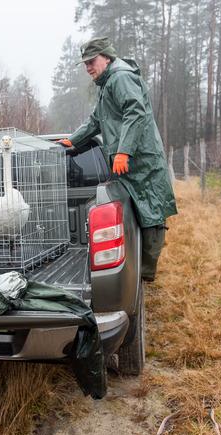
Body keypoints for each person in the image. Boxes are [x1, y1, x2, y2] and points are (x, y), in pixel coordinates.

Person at [56, 37, 177, 282]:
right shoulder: (107, 83)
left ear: (106, 57)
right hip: (129, 164)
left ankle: (145, 275)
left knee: (151, 213)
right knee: (139, 214)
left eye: (92, 61)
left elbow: (136, 111)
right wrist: (72, 141)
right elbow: (95, 121)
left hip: (143, 161)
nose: (88, 67)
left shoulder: (120, 77)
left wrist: (124, 151)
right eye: (85, 63)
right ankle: (140, 270)